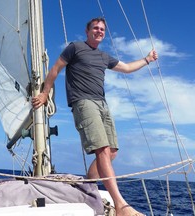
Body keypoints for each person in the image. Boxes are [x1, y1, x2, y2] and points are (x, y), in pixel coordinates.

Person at [32, 17, 158, 216]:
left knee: (112, 151)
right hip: (83, 102)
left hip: (102, 104)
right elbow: (55, 69)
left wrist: (147, 59)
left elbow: (126, 68)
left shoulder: (104, 57)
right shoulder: (75, 47)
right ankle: (121, 205)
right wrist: (45, 93)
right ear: (87, 30)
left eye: (102, 29)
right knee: (102, 149)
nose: (99, 31)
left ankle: (88, 186)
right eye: (96, 28)